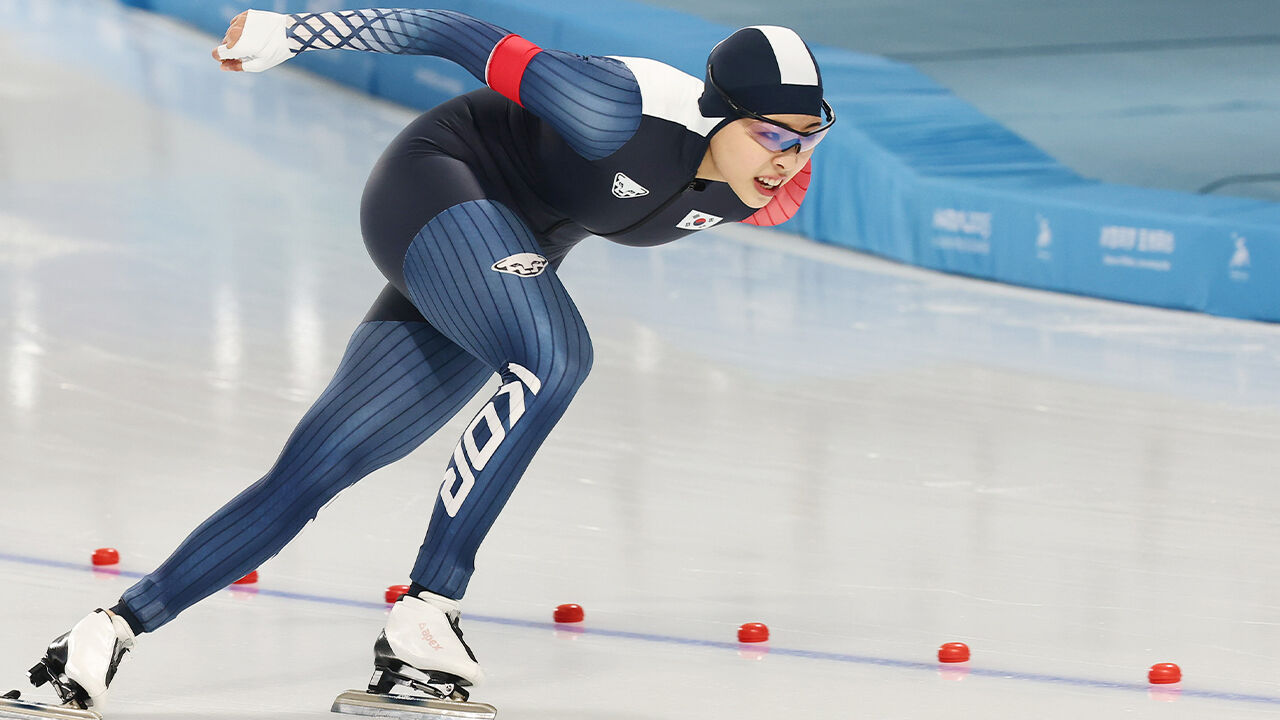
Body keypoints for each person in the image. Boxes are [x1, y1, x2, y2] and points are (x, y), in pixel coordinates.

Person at [25, 6, 834, 712]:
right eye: (769, 136)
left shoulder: (768, 190)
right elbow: (454, 30)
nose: (786, 160)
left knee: (320, 468)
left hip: (507, 246)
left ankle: (97, 641)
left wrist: (776, 156)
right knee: (554, 359)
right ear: (714, 113)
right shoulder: (617, 107)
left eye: (807, 139)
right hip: (437, 184)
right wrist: (293, 32)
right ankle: (429, 611)